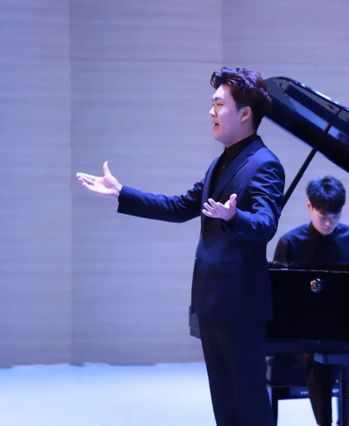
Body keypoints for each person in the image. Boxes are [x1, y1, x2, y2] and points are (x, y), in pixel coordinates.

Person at [76, 67, 284, 426]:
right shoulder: (221, 162)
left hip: (239, 306)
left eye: (219, 104)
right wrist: (121, 193)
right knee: (226, 404)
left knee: (249, 404)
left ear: (245, 114)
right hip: (211, 302)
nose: (211, 112)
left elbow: (266, 224)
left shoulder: (265, 164)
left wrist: (234, 217)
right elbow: (178, 207)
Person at [273, 176, 349, 426]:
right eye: (323, 216)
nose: (329, 223)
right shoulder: (290, 243)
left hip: (346, 327)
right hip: (303, 332)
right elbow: (281, 298)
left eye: (336, 216)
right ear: (309, 206)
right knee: (318, 359)